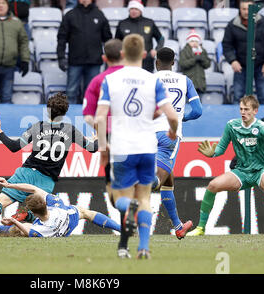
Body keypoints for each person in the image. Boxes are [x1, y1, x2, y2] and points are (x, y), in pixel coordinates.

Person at [95, 34, 178, 259]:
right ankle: (143, 248)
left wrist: (103, 147)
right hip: (147, 147)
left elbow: (100, 118)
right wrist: (172, 130)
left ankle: (127, 207)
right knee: (145, 199)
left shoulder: (111, 80)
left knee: (119, 198)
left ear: (122, 54)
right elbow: (171, 115)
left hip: (122, 148)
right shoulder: (153, 81)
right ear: (144, 54)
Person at [0, 92, 99, 237]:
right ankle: (21, 216)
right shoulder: (70, 130)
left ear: (48, 111)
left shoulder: (37, 127)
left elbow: (14, 147)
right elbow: (93, 148)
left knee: (0, 201)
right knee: (36, 214)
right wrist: (97, 138)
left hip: (26, 172)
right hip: (46, 180)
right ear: (65, 112)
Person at [187, 95, 264, 236]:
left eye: (246, 109)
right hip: (241, 172)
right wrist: (212, 153)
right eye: (241, 109)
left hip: (261, 170)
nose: (243, 112)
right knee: (213, 185)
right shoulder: (232, 126)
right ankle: (200, 228)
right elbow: (221, 148)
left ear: (255, 111)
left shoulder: (263, 128)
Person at [152, 47, 203, 239]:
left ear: (157, 62)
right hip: (169, 136)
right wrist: (182, 118)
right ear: (174, 62)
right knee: (156, 180)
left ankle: (178, 226)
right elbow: (197, 111)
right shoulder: (185, 80)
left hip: (147, 133)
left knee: (167, 181)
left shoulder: (148, 79)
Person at [0, 177, 121, 237]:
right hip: (68, 221)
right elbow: (33, 188)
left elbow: (28, 231)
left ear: (34, 213)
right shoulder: (55, 202)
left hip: (54, 231)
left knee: (19, 230)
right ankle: (121, 229)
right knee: (85, 212)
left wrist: (15, 221)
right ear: (45, 203)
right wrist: (9, 185)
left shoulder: (40, 228)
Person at [82, 38, 124, 206]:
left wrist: (103, 141)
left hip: (110, 136)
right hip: (136, 134)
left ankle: (123, 209)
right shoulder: (139, 78)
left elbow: (89, 117)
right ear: (124, 54)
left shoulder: (98, 81)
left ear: (104, 58)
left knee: (114, 186)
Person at [222, 0, 264, 105]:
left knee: (263, 98)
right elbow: (226, 45)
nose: (246, 12)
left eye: (249, 9)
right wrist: (233, 61)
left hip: (261, 65)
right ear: (239, 9)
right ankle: (238, 121)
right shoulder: (232, 25)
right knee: (237, 98)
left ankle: (263, 121)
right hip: (241, 66)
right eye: (244, 9)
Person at [57, 0, 112, 104]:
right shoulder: (70, 15)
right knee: (71, 92)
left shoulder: (99, 14)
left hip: (94, 62)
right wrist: (61, 57)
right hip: (75, 61)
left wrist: (111, 58)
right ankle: (70, 117)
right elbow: (62, 38)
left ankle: (89, 118)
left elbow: (108, 39)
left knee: (91, 93)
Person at [115, 0, 164, 73]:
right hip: (127, 62)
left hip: (147, 62)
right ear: (129, 10)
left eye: (136, 9)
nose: (133, 11)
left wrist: (156, 50)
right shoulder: (122, 24)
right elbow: (116, 42)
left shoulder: (149, 23)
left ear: (141, 10)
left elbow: (161, 38)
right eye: (131, 9)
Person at [179, 30, 211, 97]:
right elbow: (182, 64)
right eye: (192, 41)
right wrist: (194, 59)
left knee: (199, 103)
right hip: (189, 81)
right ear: (188, 42)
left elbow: (207, 64)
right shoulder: (184, 51)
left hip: (200, 83)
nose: (194, 43)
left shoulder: (202, 50)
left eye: (196, 41)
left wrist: (202, 59)